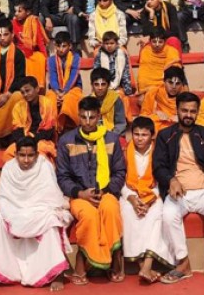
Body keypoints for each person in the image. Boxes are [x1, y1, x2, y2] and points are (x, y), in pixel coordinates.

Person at [0, 137, 73, 293]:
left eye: (30, 155)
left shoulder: (44, 166)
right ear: (16, 154)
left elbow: (51, 197)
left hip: (40, 209)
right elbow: (2, 198)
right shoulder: (9, 168)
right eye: (22, 155)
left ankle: (57, 274)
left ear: (37, 154)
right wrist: (14, 216)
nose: (26, 160)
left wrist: (31, 213)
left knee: (52, 220)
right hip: (14, 209)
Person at [152, 92, 204, 284]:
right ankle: (183, 263)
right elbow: (158, 166)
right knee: (168, 215)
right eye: (184, 110)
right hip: (179, 192)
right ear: (177, 110)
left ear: (197, 112)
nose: (188, 115)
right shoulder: (165, 135)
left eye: (192, 111)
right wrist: (171, 180)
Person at [56, 97, 126, 285]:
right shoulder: (66, 141)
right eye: (83, 117)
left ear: (99, 116)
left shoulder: (111, 139)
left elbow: (120, 172)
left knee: (110, 209)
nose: (87, 122)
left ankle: (115, 257)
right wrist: (81, 193)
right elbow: (62, 176)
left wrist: (106, 190)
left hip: (106, 192)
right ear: (78, 116)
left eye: (92, 117)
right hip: (78, 195)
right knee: (89, 215)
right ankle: (83, 260)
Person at [121, 117, 175, 283]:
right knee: (127, 214)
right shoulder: (124, 151)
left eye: (144, 135)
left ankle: (148, 264)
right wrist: (132, 199)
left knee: (157, 215)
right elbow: (120, 179)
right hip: (129, 193)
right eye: (136, 134)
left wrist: (149, 201)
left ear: (152, 135)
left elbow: (160, 180)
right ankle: (141, 265)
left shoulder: (159, 152)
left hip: (153, 194)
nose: (139, 138)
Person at [0, 19, 26, 137]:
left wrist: (8, 94)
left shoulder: (18, 54)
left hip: (11, 93)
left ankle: (11, 134)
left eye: (6, 34)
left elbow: (20, 78)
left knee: (18, 97)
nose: (2, 38)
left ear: (12, 35)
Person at [2, 77, 59, 162]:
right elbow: (16, 129)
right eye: (22, 92)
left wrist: (33, 139)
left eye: (27, 91)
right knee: (7, 154)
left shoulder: (47, 104)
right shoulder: (18, 106)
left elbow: (49, 131)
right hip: (22, 140)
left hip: (42, 140)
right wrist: (25, 142)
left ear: (37, 89)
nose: (25, 94)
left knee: (41, 155)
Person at [45, 32, 83, 130]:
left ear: (70, 46)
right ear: (55, 46)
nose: (61, 49)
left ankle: (69, 126)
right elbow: (52, 77)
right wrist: (58, 92)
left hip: (73, 88)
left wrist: (64, 92)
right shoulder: (51, 60)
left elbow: (73, 78)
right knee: (50, 99)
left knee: (69, 99)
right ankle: (52, 127)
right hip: (55, 90)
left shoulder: (75, 58)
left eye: (64, 46)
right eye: (58, 46)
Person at [11, 1, 48, 86]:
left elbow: (40, 42)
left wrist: (46, 59)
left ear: (27, 12)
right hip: (19, 51)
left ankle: (37, 86)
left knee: (40, 58)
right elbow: (12, 42)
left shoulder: (34, 22)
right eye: (15, 11)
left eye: (19, 11)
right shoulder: (13, 23)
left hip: (33, 51)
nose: (16, 14)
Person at [137, 28, 183, 94]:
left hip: (163, 82)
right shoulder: (146, 50)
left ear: (165, 41)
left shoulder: (172, 51)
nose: (157, 44)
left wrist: (170, 64)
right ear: (150, 41)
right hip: (147, 83)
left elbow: (174, 70)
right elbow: (143, 71)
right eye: (154, 41)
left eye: (160, 42)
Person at [142, 67, 187, 132]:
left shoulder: (185, 97)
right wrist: (156, 114)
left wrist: (180, 118)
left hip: (175, 127)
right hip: (157, 124)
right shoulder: (155, 92)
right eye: (170, 82)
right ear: (164, 81)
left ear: (182, 84)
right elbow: (144, 116)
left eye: (177, 84)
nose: (173, 87)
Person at [94, 31, 134, 96]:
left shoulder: (122, 54)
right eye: (106, 43)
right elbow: (96, 74)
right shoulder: (99, 55)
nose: (109, 46)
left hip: (118, 86)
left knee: (120, 97)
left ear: (117, 44)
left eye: (112, 43)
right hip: (103, 86)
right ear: (103, 44)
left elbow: (125, 74)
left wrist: (128, 92)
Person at [90, 68, 127, 136]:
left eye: (103, 84)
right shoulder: (89, 101)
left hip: (114, 134)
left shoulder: (115, 99)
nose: (100, 88)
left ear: (108, 85)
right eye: (96, 84)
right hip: (94, 135)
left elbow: (120, 123)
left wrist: (110, 135)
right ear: (92, 85)